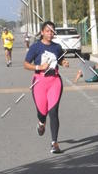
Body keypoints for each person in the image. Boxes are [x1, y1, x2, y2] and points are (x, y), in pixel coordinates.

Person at [24, 21, 69, 154]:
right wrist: (38, 67)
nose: (50, 33)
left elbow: (60, 59)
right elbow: (26, 64)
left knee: (53, 111)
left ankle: (54, 143)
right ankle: (41, 123)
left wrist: (64, 62)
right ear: (42, 32)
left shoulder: (57, 47)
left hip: (55, 81)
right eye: (47, 31)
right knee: (42, 112)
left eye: (52, 31)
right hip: (39, 81)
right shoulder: (35, 47)